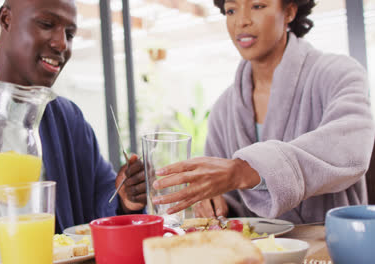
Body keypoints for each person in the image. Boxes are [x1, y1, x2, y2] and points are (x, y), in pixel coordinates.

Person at [0, 0, 146, 263]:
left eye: (70, 34)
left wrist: (125, 199)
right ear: (6, 19)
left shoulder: (68, 119)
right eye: (47, 24)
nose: (61, 44)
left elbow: (103, 200)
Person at [151, 0, 374, 223]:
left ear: (288, 12)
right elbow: (229, 196)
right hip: (257, 253)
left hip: (331, 247)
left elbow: (351, 148)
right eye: (231, 10)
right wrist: (218, 204)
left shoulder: (339, 73)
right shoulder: (224, 109)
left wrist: (243, 171)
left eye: (257, 6)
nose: (242, 20)